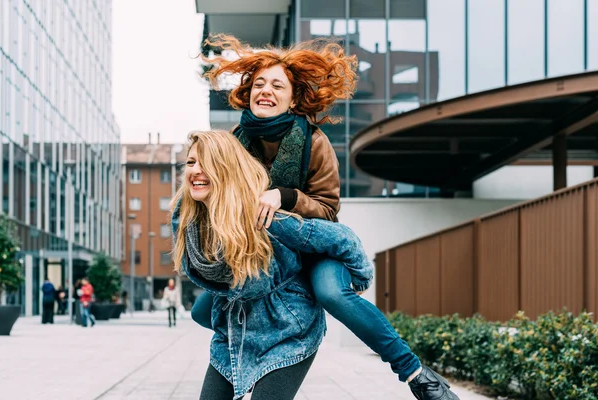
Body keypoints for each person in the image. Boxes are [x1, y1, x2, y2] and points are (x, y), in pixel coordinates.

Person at [193, 34, 459, 400]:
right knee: (199, 309)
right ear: (249, 92)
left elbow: (328, 210)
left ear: (292, 97)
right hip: (264, 251)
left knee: (330, 292)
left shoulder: (314, 142)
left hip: (312, 245)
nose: (265, 91)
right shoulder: (234, 144)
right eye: (259, 84)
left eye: (277, 85)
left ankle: (416, 374)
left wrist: (285, 196)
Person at [171, 130, 373, 400]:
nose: (195, 170)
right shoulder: (188, 221)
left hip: (288, 332)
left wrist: (357, 282)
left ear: (226, 169)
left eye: (206, 163)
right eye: (191, 162)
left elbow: (343, 239)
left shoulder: (262, 218)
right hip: (237, 328)